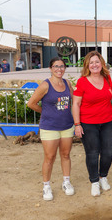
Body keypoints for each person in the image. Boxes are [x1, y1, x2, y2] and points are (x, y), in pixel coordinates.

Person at [27, 57, 75, 201]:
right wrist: (45, 112)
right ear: (50, 68)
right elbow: (31, 103)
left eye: (62, 66)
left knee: (65, 155)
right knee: (50, 157)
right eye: (56, 66)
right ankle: (46, 186)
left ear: (65, 68)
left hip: (67, 125)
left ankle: (66, 182)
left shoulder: (67, 83)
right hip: (50, 127)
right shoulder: (45, 85)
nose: (59, 69)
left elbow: (75, 100)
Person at [72, 51, 112, 197]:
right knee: (92, 153)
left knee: (108, 153)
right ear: (87, 66)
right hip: (88, 123)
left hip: (108, 122)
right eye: (91, 63)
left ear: (101, 63)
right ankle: (94, 182)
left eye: (97, 62)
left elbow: (111, 95)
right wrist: (77, 124)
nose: (94, 65)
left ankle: (103, 176)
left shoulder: (107, 78)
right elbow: (76, 104)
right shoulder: (82, 82)